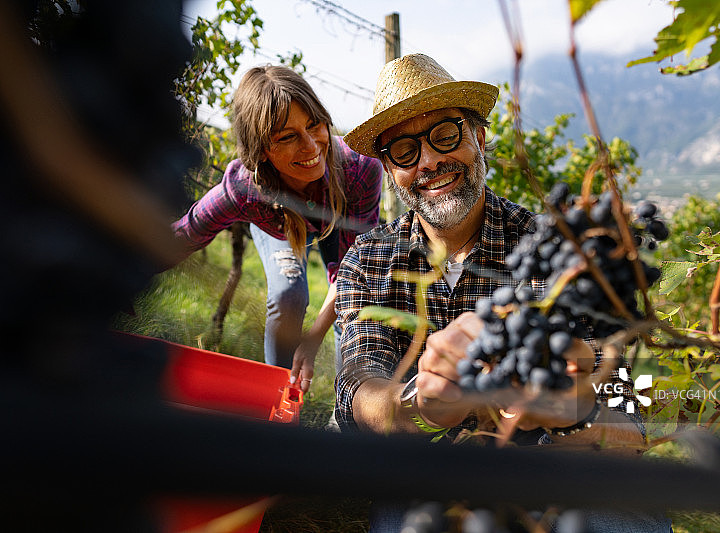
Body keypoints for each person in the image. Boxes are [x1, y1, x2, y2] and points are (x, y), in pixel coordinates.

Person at [336, 54, 670, 532]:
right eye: (404, 151)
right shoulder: (368, 259)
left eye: (445, 135)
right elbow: (358, 387)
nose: (428, 161)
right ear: (390, 170)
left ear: (479, 137)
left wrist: (570, 414)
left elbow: (627, 429)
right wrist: (421, 406)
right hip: (426, 473)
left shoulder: (557, 253)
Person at [173, 65, 382, 393]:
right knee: (288, 295)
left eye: (314, 125)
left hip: (337, 221)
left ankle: (348, 407)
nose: (311, 146)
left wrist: (313, 340)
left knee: (354, 308)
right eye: (287, 137)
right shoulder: (245, 187)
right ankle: (277, 397)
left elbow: (352, 271)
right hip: (281, 224)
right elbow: (186, 233)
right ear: (261, 150)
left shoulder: (360, 170)